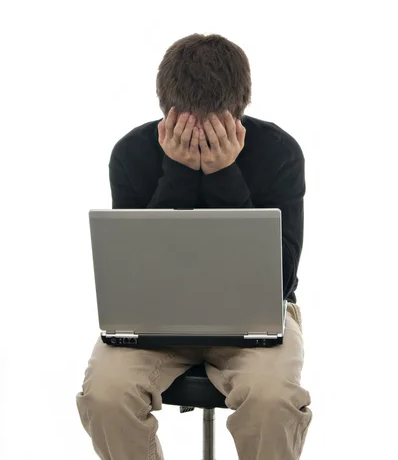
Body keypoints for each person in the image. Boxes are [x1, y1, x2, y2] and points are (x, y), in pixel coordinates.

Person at [76, 33, 313, 460]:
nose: (200, 139)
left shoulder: (279, 152)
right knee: (104, 395)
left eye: (214, 126)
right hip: (152, 321)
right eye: (188, 125)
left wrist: (225, 175)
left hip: (258, 321)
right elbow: (135, 268)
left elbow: (280, 276)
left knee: (273, 398)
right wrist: (178, 173)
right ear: (167, 112)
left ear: (238, 111)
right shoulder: (132, 153)